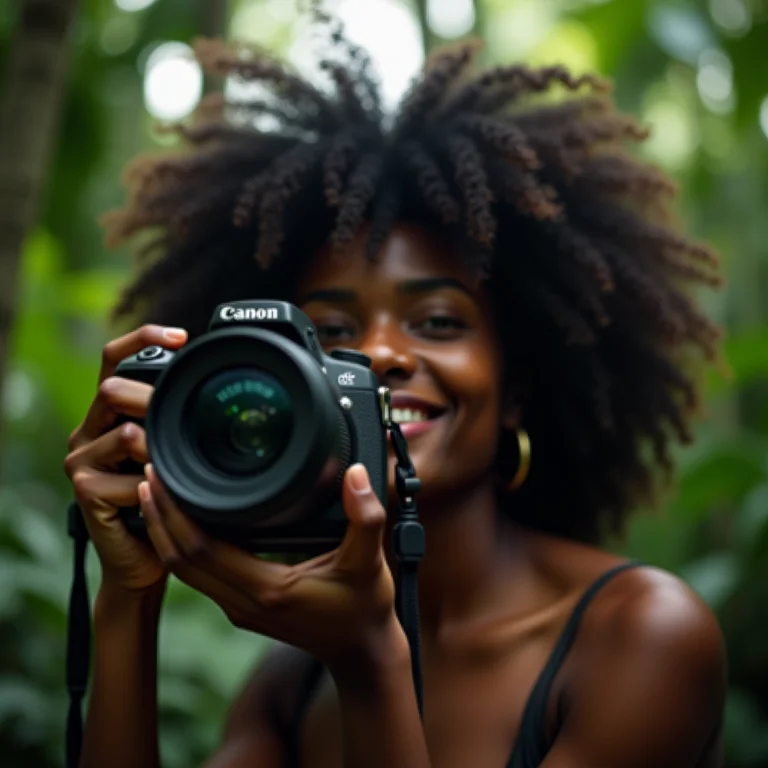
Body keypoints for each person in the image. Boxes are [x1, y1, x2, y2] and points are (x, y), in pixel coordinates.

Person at [63, 14, 727, 768]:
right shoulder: (289, 681)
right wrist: (127, 598)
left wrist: (371, 659)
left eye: (439, 321)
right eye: (329, 335)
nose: (378, 354)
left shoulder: (641, 634)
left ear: (517, 386)